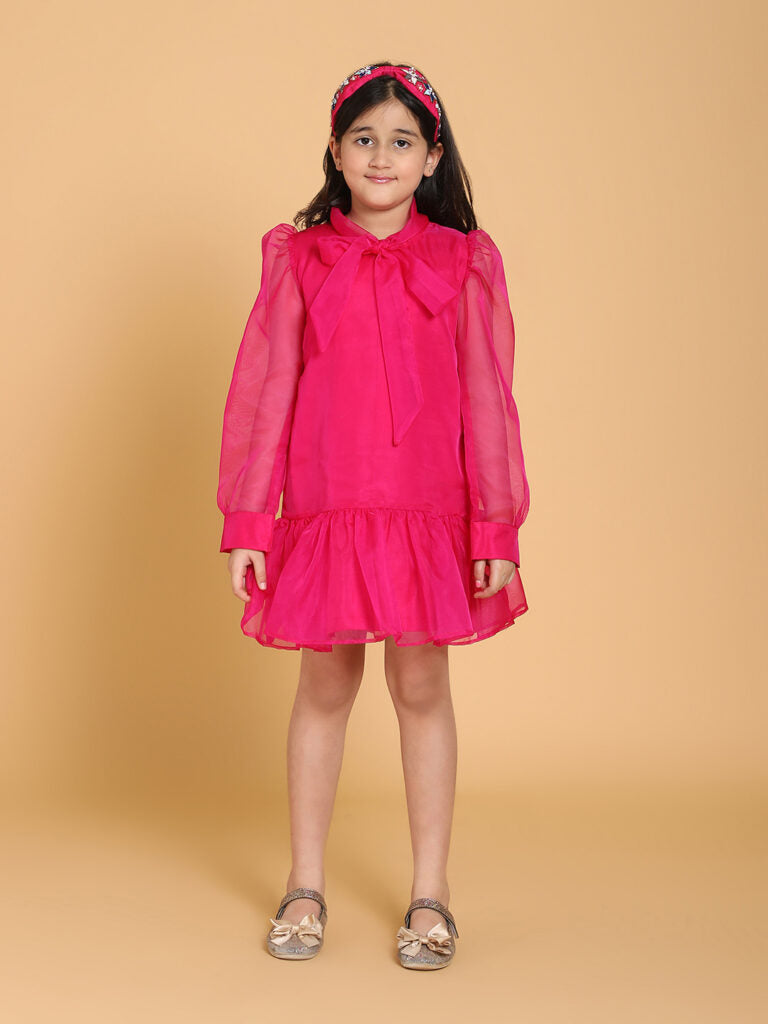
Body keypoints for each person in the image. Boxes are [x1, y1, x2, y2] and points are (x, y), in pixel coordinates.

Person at [216, 61, 531, 970]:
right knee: (323, 688)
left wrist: (495, 526)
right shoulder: (299, 256)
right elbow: (267, 391)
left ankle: (431, 892)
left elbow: (488, 399)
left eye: (401, 141)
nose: (381, 156)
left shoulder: (463, 261)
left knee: (422, 686)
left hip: (426, 511)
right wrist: (250, 520)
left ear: (431, 156)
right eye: (364, 139)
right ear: (336, 150)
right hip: (328, 508)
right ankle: (304, 884)